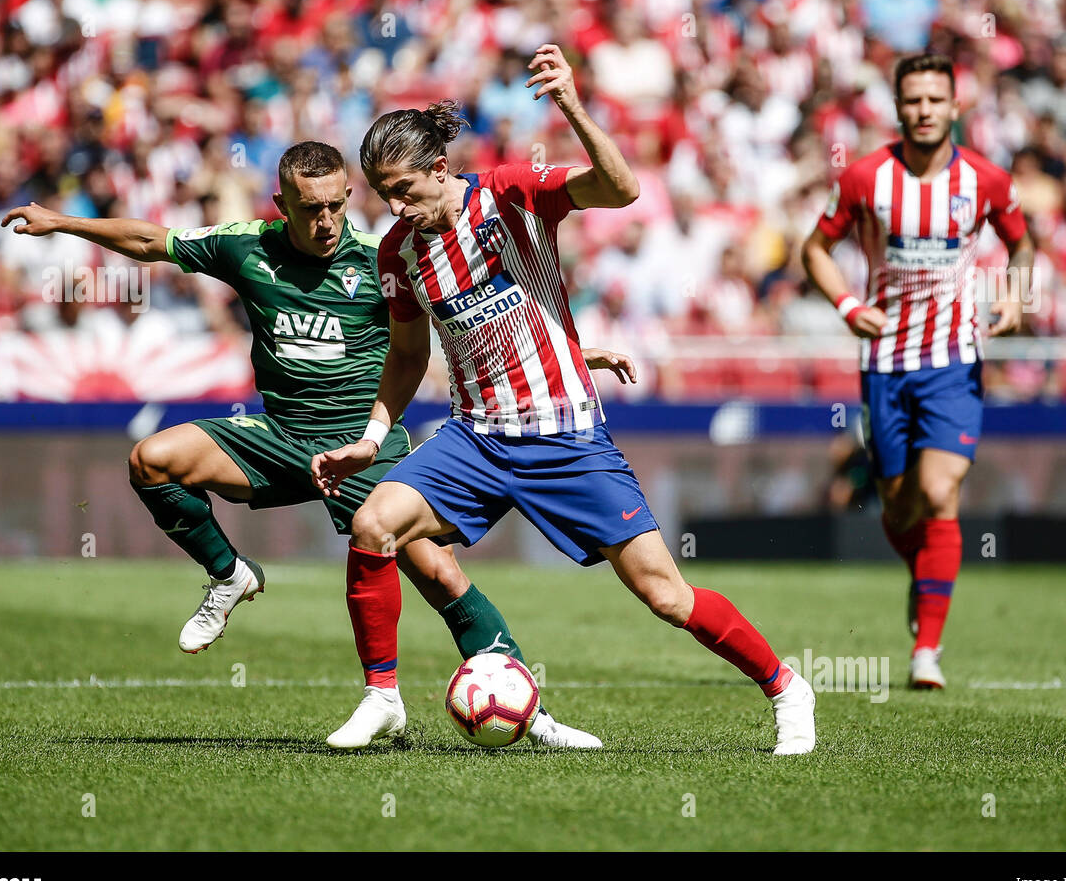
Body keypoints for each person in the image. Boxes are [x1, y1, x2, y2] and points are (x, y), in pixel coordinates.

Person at [2, 141, 632, 748]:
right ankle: (230, 576)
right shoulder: (245, 246)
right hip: (279, 437)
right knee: (152, 460)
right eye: (311, 207)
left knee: (439, 573)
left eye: (336, 204)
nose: (327, 220)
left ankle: (533, 712)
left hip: (363, 444)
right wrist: (60, 221)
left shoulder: (380, 255)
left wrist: (571, 353)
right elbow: (150, 241)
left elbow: (464, 318)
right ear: (283, 201)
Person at [313, 45, 816, 755]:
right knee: (374, 524)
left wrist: (573, 106)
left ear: (438, 169)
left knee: (667, 597)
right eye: (382, 194)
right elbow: (408, 354)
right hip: (476, 438)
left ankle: (787, 689)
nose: (394, 207)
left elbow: (622, 190)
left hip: (565, 437)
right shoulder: (398, 252)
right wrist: (371, 436)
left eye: (403, 189)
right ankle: (383, 697)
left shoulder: (510, 196)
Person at [801, 53, 1034, 688]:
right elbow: (814, 250)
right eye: (913, 101)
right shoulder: (865, 179)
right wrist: (849, 305)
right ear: (899, 107)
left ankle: (926, 651)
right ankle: (921, 577)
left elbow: (1022, 241)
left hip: (955, 358)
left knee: (940, 492)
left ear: (955, 107)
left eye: (936, 100)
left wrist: (1017, 294)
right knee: (902, 509)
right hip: (885, 363)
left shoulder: (985, 179)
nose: (924, 111)